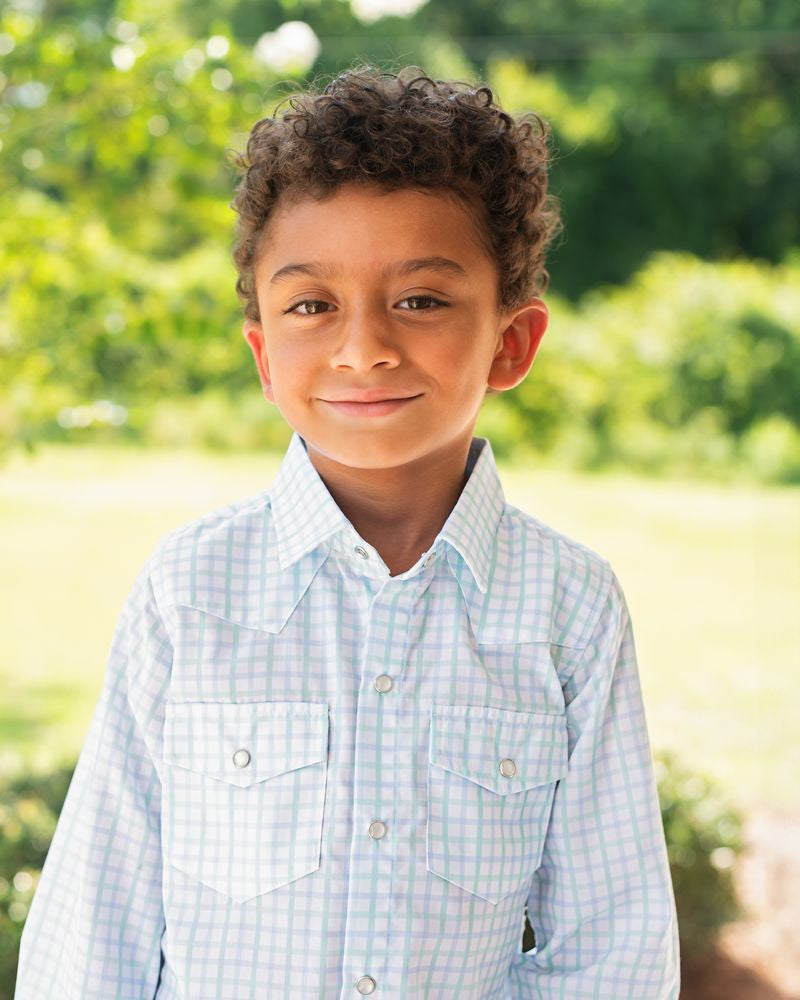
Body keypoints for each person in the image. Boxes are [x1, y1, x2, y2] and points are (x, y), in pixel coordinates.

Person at [15, 65, 680, 999]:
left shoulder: (569, 608)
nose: (363, 347)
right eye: (311, 305)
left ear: (511, 341)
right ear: (263, 355)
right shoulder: (191, 590)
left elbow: (613, 951)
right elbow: (98, 918)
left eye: (420, 299)